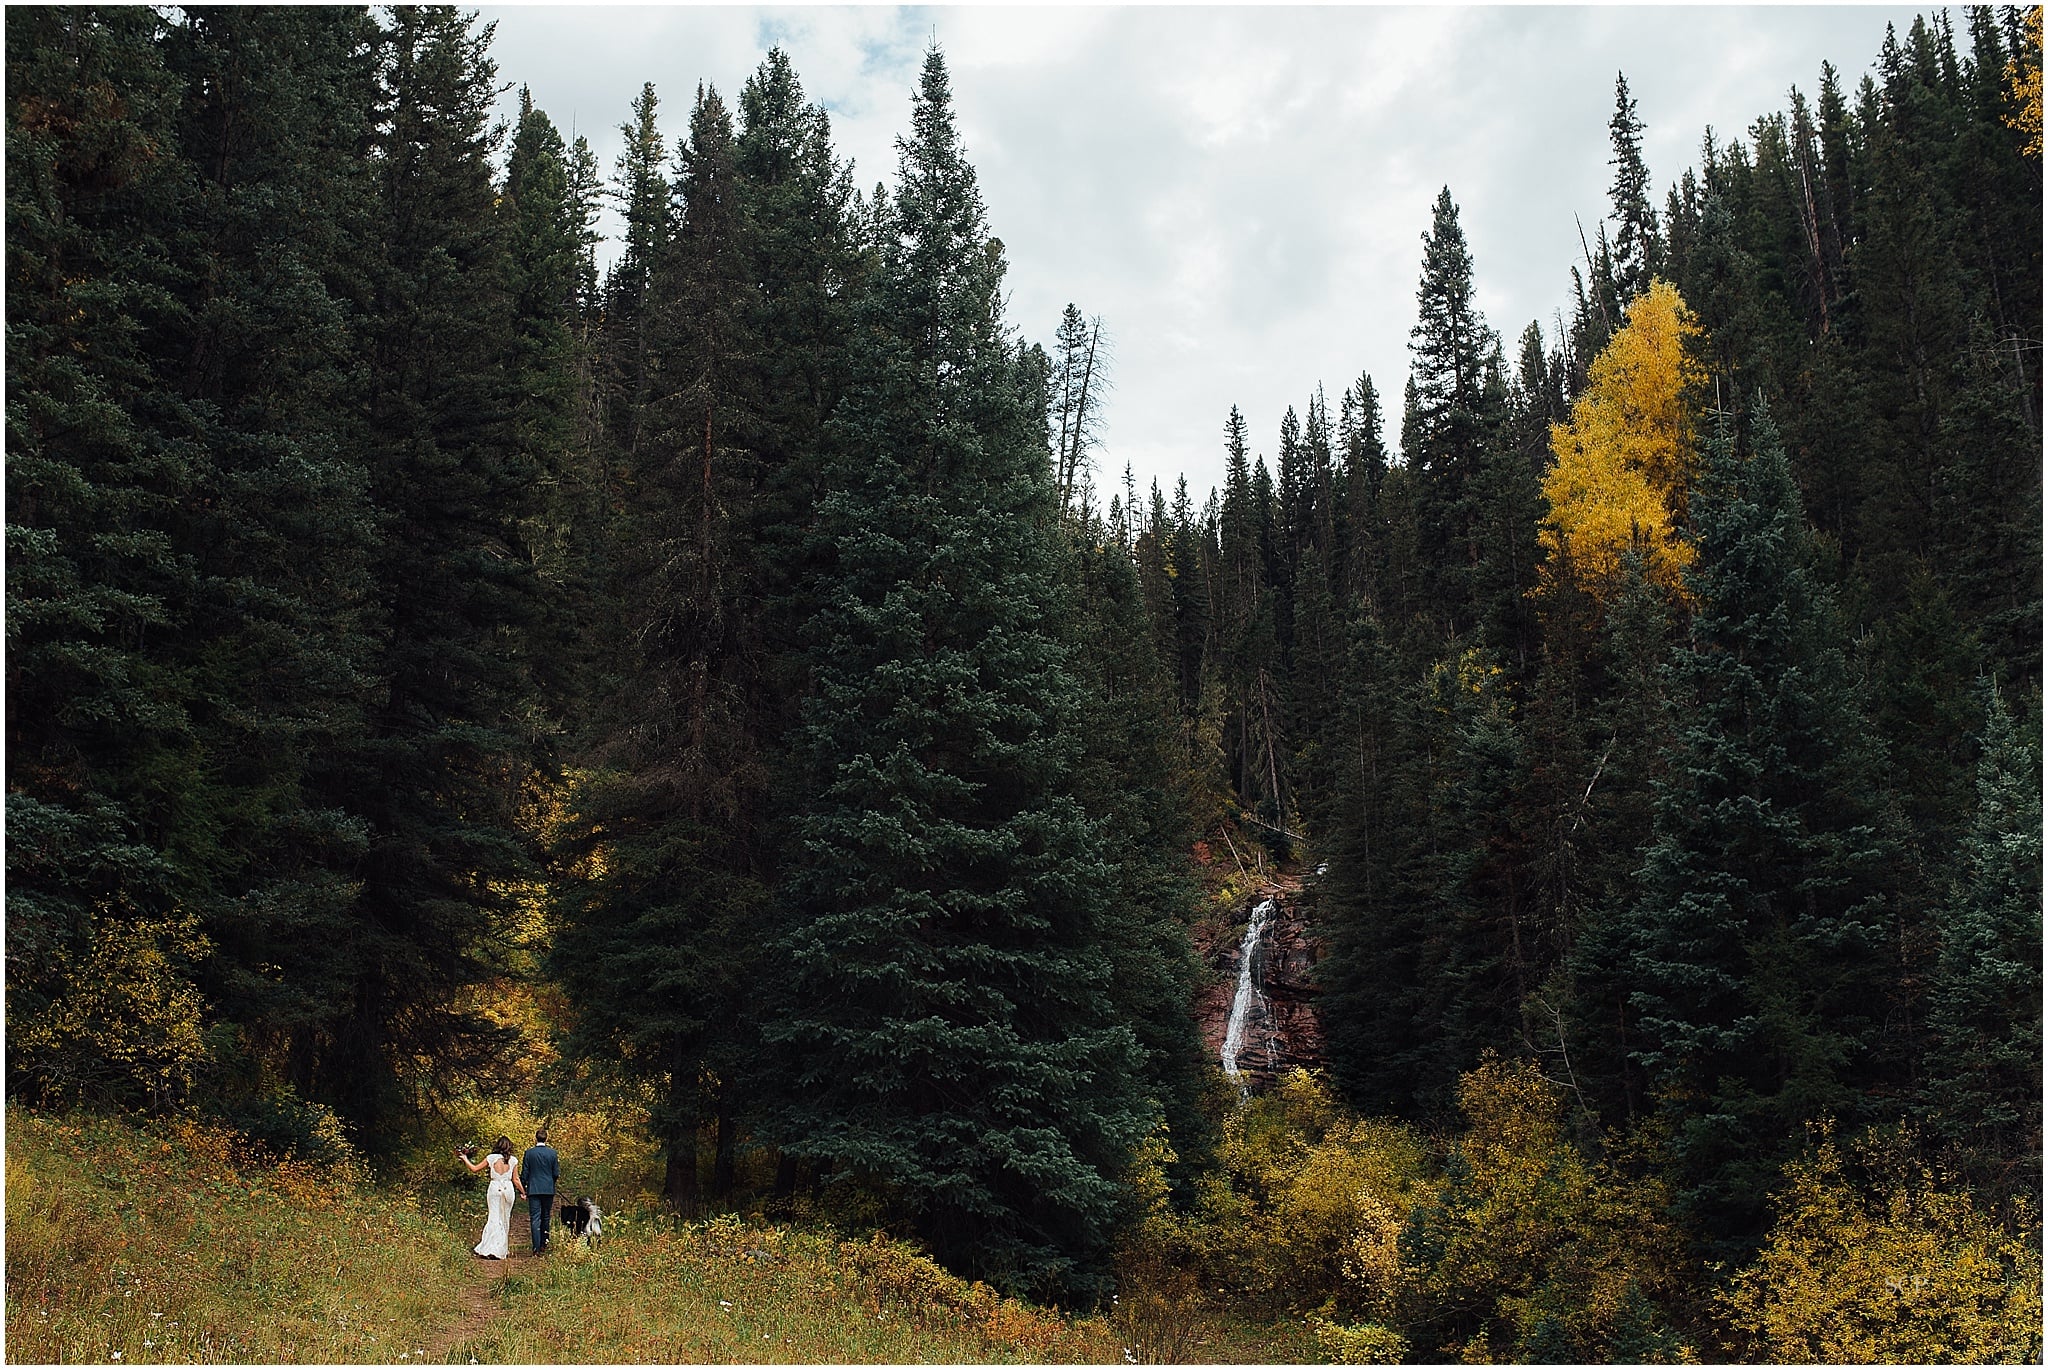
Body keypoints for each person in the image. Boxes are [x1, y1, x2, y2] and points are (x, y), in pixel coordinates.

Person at [457, 1134, 525, 1259]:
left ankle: (490, 1247)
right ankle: (500, 1248)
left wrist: (465, 1159)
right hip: (508, 1188)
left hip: (494, 1188)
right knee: (505, 1218)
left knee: (494, 1216)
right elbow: (516, 1179)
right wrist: (523, 1192)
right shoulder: (513, 1160)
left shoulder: (491, 1158)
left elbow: (474, 1169)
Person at [521, 1125, 560, 1255]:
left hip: (534, 1189)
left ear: (535, 1138)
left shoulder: (529, 1153)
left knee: (535, 1218)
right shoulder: (552, 1153)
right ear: (546, 1139)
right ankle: (544, 1243)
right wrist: (551, 1182)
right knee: (546, 1216)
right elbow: (556, 1173)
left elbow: (525, 1172)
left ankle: (536, 1247)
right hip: (548, 1189)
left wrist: (523, 1187)